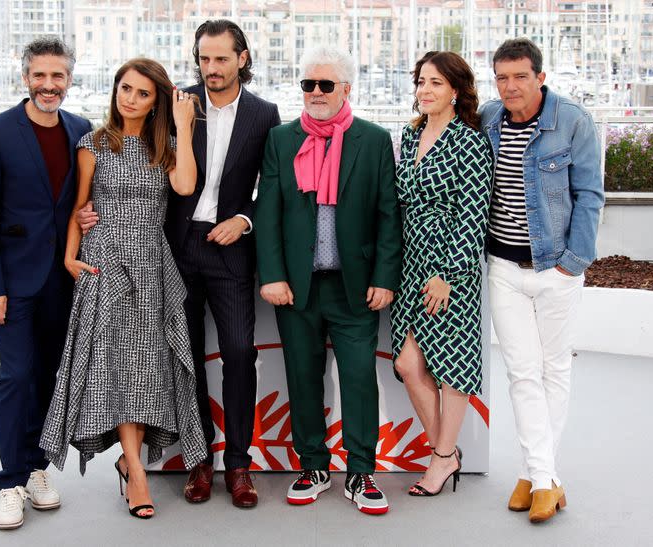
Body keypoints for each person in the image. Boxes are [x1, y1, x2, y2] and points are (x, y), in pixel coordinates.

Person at [79, 19, 281, 508]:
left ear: (243, 59)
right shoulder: (173, 103)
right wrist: (95, 211)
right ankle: (197, 461)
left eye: (220, 59)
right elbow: (127, 154)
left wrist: (244, 219)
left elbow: (271, 189)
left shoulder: (265, 114)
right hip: (169, 249)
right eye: (203, 59)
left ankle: (238, 464)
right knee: (182, 358)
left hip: (230, 248)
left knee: (238, 354)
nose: (210, 69)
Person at [38, 58, 207, 520]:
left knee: (142, 370)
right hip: (104, 262)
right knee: (113, 367)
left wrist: (183, 127)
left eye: (142, 93)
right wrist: (71, 257)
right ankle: (136, 471)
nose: (130, 98)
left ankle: (130, 462)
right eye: (124, 89)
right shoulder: (93, 142)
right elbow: (80, 205)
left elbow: (187, 185)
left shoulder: (167, 148)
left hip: (151, 266)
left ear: (156, 103)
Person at [254, 45, 402, 515]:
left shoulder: (374, 140)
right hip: (297, 286)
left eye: (325, 84)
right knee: (302, 376)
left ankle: (361, 472)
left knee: (360, 379)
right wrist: (273, 275)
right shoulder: (281, 139)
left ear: (346, 89)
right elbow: (269, 212)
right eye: (308, 84)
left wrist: (384, 276)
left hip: (354, 285)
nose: (315, 93)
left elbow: (387, 215)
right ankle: (313, 466)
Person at [0, 36, 92, 531]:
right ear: (25, 77)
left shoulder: (80, 130)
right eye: (39, 75)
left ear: (68, 79)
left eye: (57, 76)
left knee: (48, 377)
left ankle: (39, 467)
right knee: (16, 376)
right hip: (13, 282)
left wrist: (87, 216)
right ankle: (9, 482)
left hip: (62, 280)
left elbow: (79, 201)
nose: (48, 85)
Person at [480, 38, 604, 523]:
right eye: (502, 77)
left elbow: (590, 195)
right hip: (503, 267)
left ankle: (536, 475)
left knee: (554, 370)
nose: (510, 87)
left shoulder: (572, 120)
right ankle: (545, 476)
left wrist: (573, 262)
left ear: (540, 77)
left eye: (520, 77)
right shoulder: (489, 117)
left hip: (556, 266)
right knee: (521, 372)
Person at [391, 51, 493, 497]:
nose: (425, 90)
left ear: (456, 90)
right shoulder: (411, 136)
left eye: (435, 82)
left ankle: (440, 459)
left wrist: (447, 274)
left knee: (451, 368)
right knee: (408, 364)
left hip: (452, 268)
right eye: (421, 82)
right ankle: (446, 453)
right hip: (411, 264)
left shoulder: (470, 142)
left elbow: (474, 216)